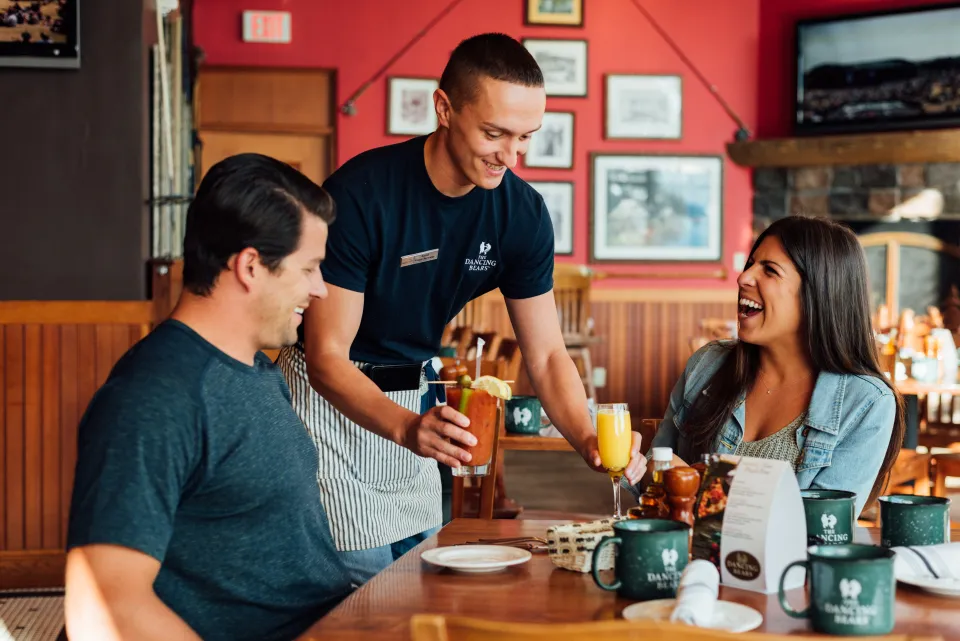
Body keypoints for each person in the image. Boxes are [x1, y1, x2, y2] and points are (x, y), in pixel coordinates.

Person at [277, 32, 645, 585]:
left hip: (417, 401)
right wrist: (407, 428)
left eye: (525, 138)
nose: (510, 156)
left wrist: (586, 435)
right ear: (445, 109)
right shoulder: (362, 194)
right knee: (363, 587)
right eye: (494, 133)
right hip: (331, 406)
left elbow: (547, 355)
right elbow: (328, 355)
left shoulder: (522, 216)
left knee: (419, 579)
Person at [64, 154, 353, 641]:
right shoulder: (155, 398)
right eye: (309, 269)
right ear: (250, 266)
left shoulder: (255, 368)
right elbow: (104, 608)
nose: (320, 289)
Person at [643, 215, 904, 517]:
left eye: (770, 270)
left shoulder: (867, 403)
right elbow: (651, 481)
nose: (743, 278)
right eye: (750, 264)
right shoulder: (708, 364)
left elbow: (821, 527)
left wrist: (697, 487)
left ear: (818, 294)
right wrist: (639, 465)